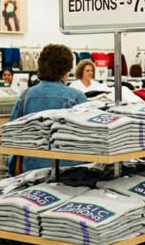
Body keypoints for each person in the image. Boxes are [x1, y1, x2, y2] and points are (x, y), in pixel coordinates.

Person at [8, 44, 87, 174]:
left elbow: (12, 135)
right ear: (66, 70)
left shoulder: (25, 96)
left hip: (31, 169)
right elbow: (89, 138)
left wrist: (12, 172)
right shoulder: (76, 97)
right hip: (69, 169)